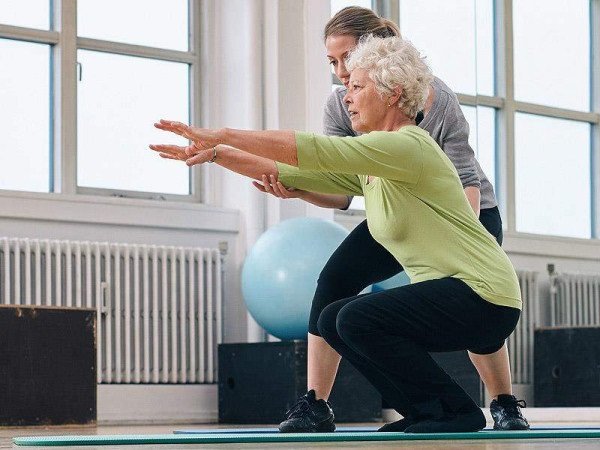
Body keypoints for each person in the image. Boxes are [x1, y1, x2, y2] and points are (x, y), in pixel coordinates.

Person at [150, 34, 522, 434]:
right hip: (456, 299)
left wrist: (222, 134)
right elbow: (290, 172)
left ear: (393, 93)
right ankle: (428, 409)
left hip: (484, 297)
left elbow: (311, 150)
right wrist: (217, 155)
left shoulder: (408, 146)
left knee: (357, 317)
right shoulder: (377, 161)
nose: (347, 97)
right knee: (333, 319)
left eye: (357, 87)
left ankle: (453, 411)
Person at [252, 6, 528, 432]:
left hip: (467, 209)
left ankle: (504, 403)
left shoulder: (434, 96)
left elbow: (464, 179)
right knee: (333, 284)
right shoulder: (342, 104)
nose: (341, 72)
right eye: (333, 62)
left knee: (473, 303)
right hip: (397, 212)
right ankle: (316, 406)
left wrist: (453, 245)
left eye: (348, 57)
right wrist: (300, 187)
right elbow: (344, 184)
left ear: (376, 51)